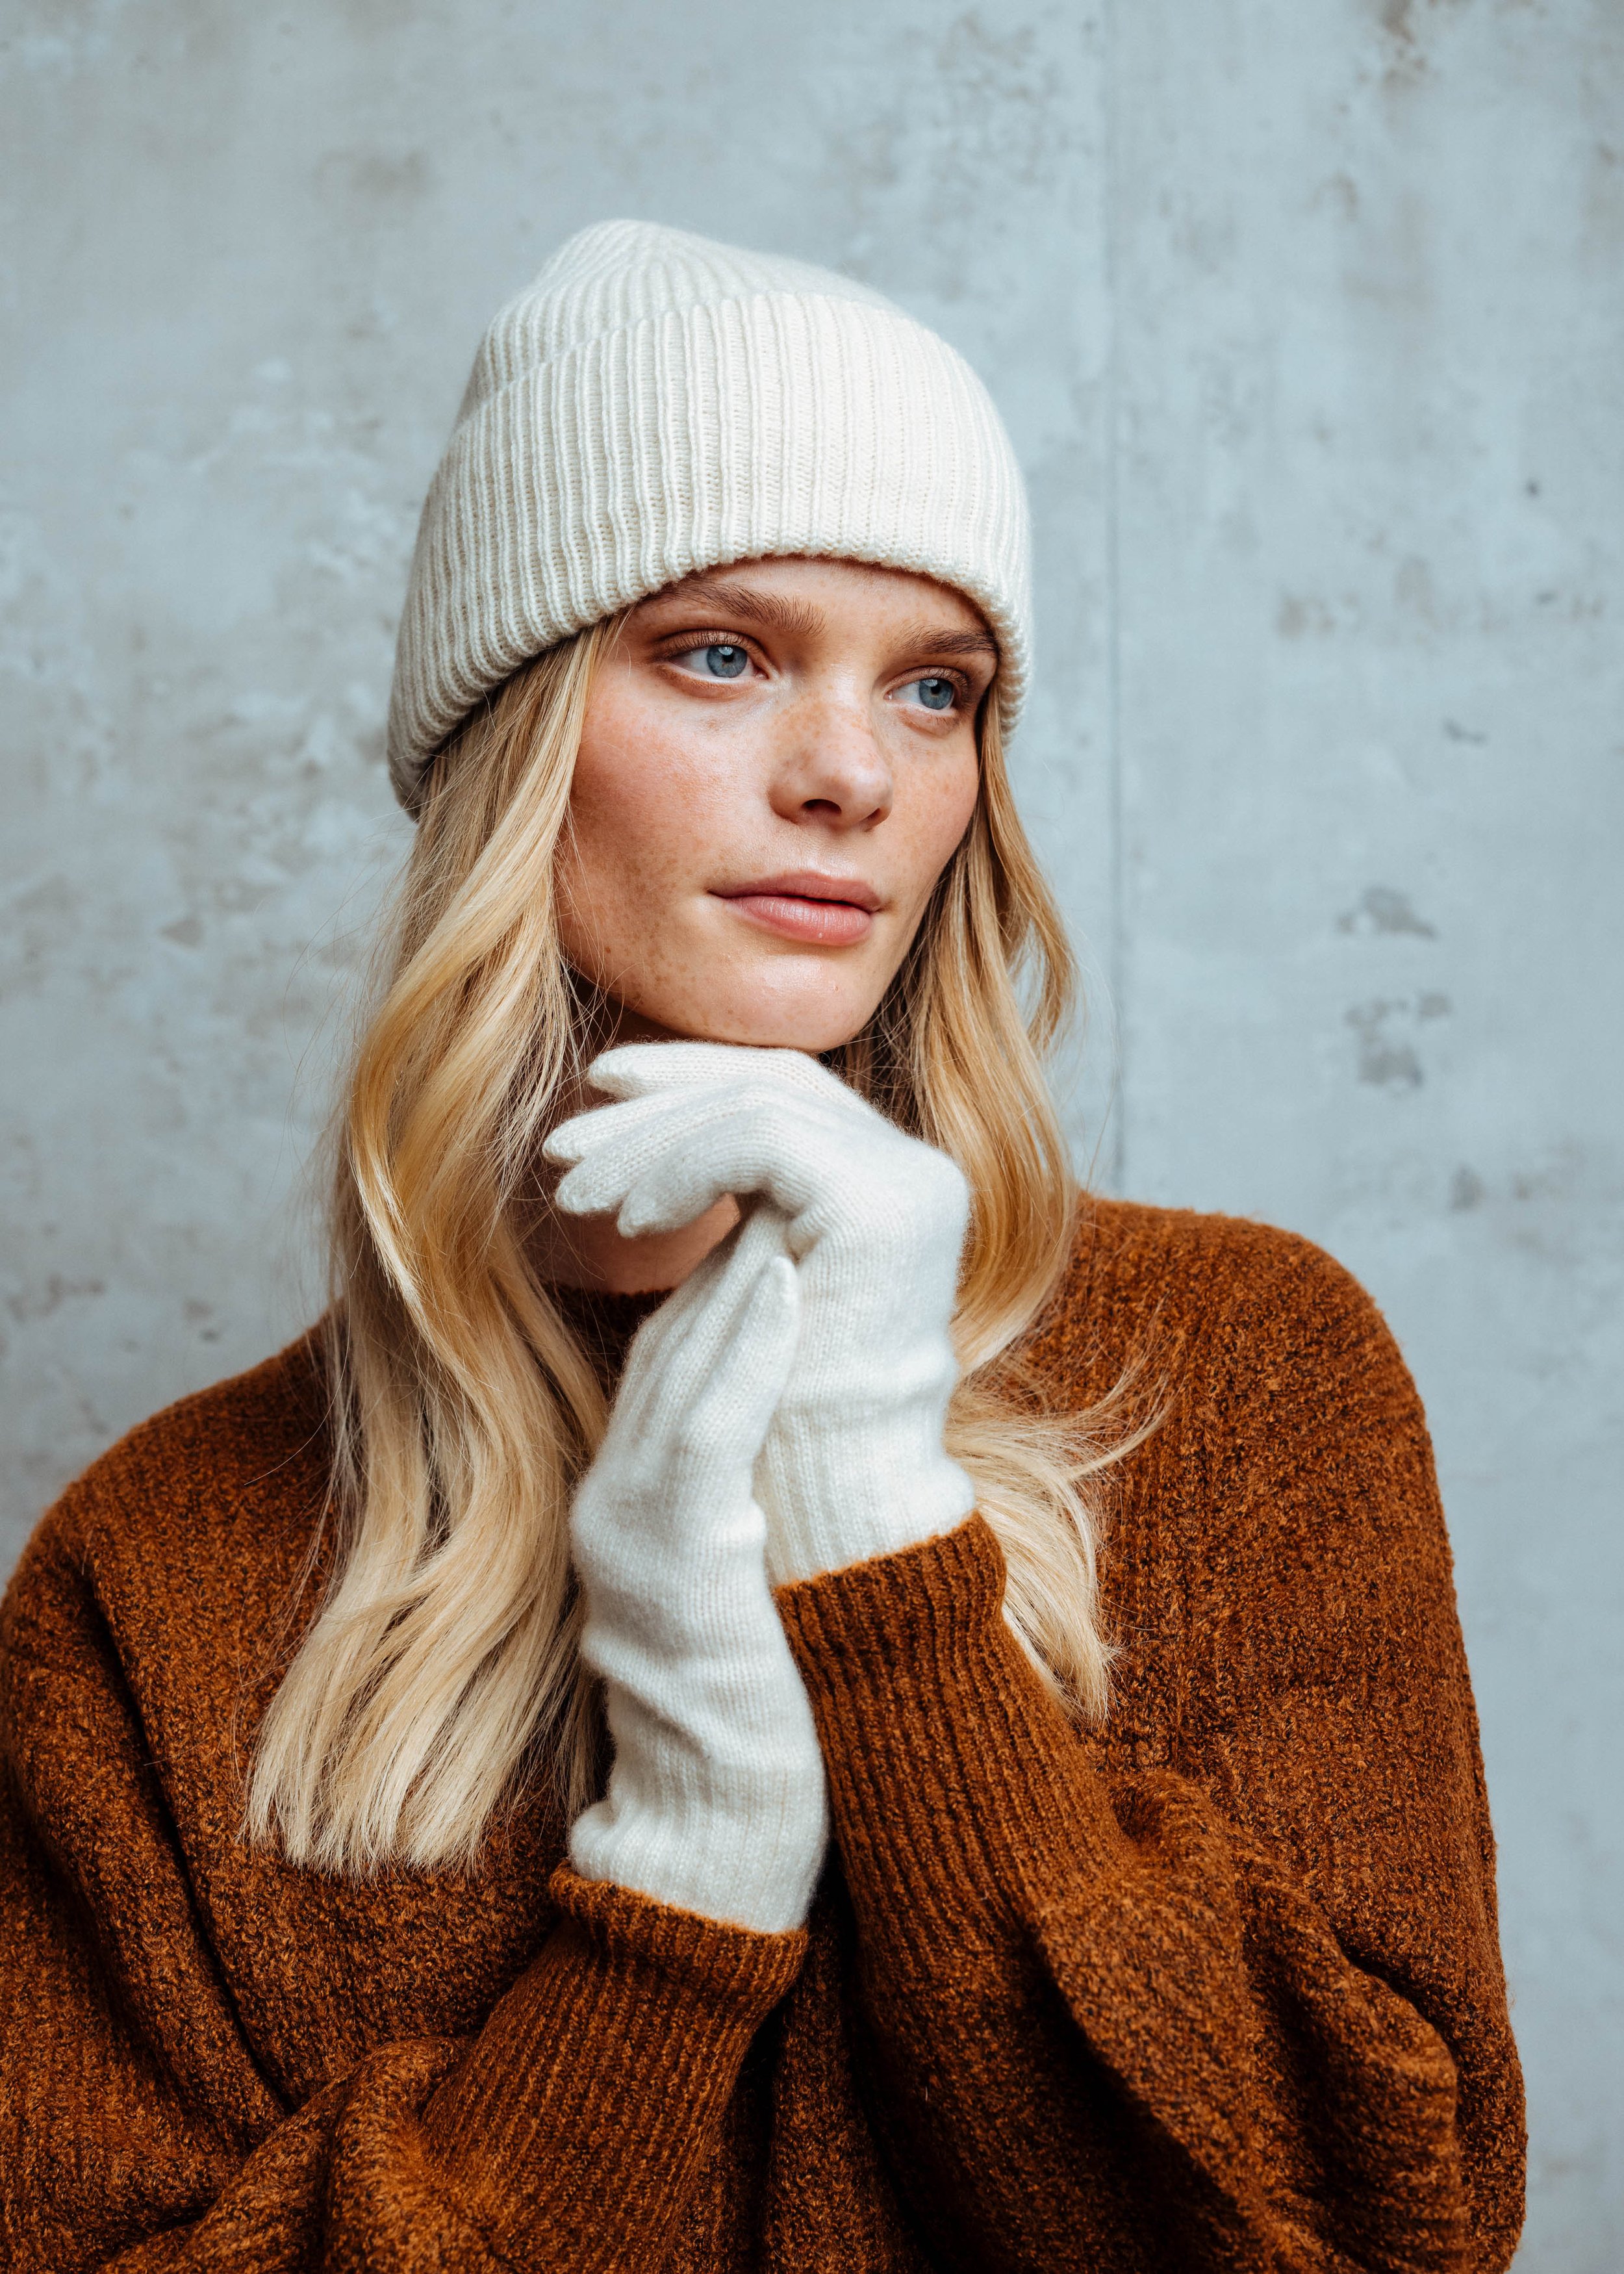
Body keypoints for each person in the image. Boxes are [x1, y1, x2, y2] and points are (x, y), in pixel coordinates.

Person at [0, 220, 1523, 2271]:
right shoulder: (156, 1568)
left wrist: (879, 1546)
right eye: (719, 653)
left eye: (935, 687)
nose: (850, 774)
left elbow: (1383, 2226)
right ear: (514, 734)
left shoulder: (1237, 1368)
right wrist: (680, 1889)